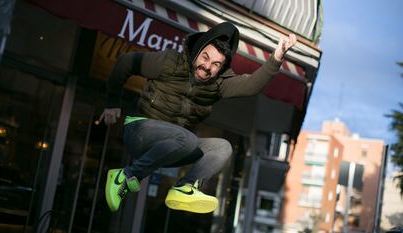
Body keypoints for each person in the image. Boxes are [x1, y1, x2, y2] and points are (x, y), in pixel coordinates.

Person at [100, 22, 297, 213]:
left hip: (172, 149)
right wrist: (112, 102)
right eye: (205, 58)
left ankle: (184, 188)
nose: (207, 67)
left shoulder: (219, 84)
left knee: (222, 147)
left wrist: (277, 57)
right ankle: (125, 177)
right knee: (186, 138)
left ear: (221, 68)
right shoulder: (170, 62)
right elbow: (126, 62)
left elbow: (252, 85)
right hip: (140, 131)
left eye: (215, 65)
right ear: (197, 51)